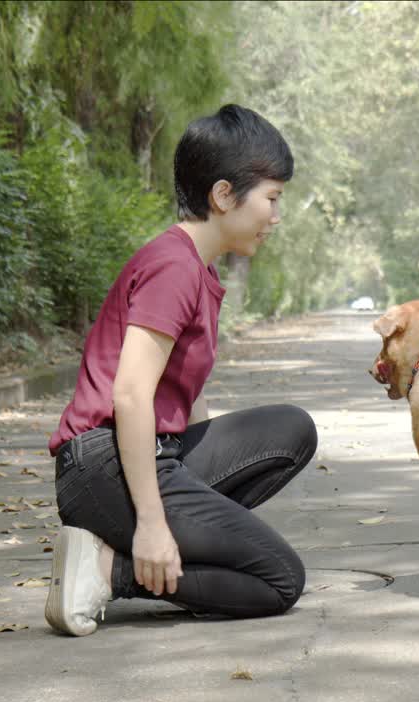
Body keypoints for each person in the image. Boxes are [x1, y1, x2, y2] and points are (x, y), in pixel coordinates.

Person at [44, 104, 317, 636]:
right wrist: (151, 523)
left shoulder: (196, 266)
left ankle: (156, 539)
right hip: (103, 467)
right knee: (280, 578)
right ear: (222, 196)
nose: (276, 216)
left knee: (291, 431)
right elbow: (129, 395)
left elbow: (184, 394)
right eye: (272, 198)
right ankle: (108, 569)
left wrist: (199, 506)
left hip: (148, 455)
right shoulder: (173, 267)